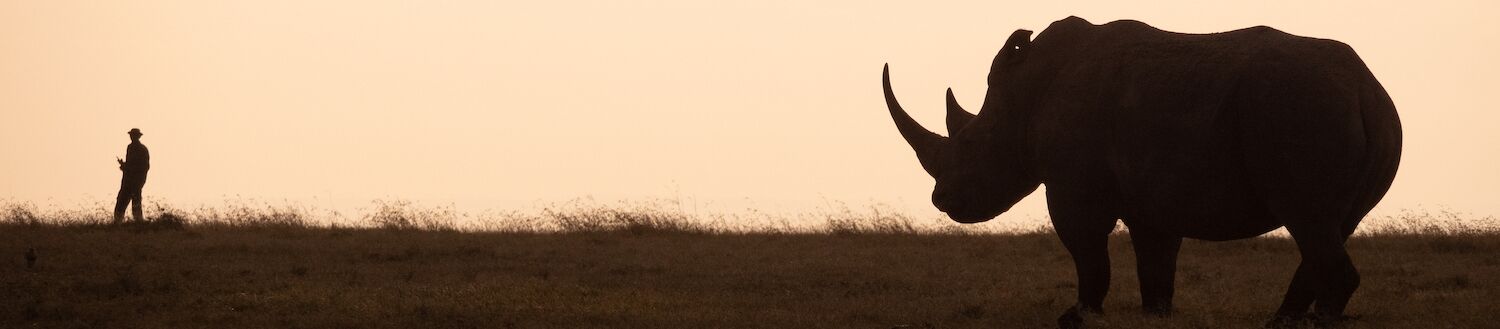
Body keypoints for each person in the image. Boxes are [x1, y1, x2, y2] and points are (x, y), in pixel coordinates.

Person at [114, 128, 150, 223]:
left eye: (133, 135)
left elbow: (144, 167)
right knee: (122, 202)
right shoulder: (130, 147)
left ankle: (137, 222)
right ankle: (119, 223)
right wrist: (124, 166)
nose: (131, 137)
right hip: (128, 180)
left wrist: (128, 168)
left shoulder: (141, 149)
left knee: (134, 202)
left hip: (135, 181)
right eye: (131, 135)